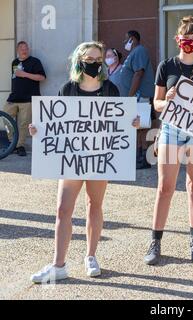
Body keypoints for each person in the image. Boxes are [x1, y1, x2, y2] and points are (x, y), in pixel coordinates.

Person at [29, 41, 140, 283]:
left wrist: (131, 123)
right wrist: (38, 129)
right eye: (88, 59)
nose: (93, 64)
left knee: (94, 205)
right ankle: (59, 265)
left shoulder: (110, 89)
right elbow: (55, 125)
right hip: (72, 158)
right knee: (63, 209)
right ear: (79, 61)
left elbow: (119, 123)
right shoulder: (68, 90)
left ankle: (91, 256)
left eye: (97, 59)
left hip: (99, 158)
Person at [144, 16, 193, 265]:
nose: (191, 44)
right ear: (178, 40)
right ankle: (155, 242)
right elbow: (157, 104)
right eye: (187, 39)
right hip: (172, 130)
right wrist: (170, 99)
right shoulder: (167, 66)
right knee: (165, 187)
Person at [117, 30, 155, 169]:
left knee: (142, 126)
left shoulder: (139, 51)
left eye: (125, 39)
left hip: (139, 95)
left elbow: (139, 74)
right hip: (135, 96)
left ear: (132, 39)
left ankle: (144, 158)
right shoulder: (134, 52)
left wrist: (130, 95)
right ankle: (139, 156)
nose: (124, 42)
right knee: (137, 127)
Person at [3, 41, 46, 156]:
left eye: (26, 48)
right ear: (18, 50)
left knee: (24, 124)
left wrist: (25, 74)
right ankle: (12, 142)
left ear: (29, 49)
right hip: (14, 97)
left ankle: (19, 146)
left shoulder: (35, 62)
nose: (24, 50)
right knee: (5, 118)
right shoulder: (15, 62)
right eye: (21, 48)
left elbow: (42, 77)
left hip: (28, 98)